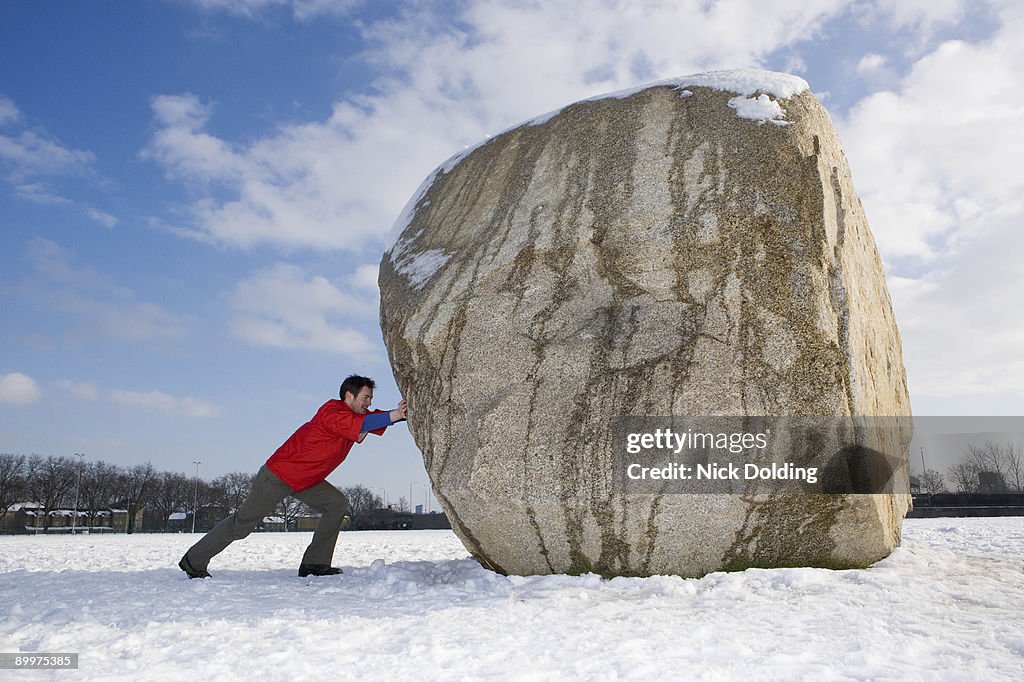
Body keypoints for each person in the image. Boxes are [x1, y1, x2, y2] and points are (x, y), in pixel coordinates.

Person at [178, 375, 407, 579]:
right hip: (278, 476)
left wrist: (400, 414)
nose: (369, 403)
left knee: (336, 503)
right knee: (242, 524)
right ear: (349, 395)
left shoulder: (355, 415)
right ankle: (193, 560)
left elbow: (374, 419)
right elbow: (366, 423)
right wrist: (394, 414)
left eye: (371, 399)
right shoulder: (332, 412)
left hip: (306, 480)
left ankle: (315, 564)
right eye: (366, 398)